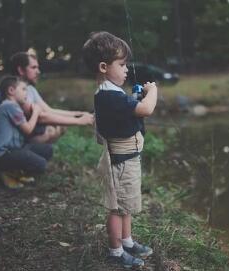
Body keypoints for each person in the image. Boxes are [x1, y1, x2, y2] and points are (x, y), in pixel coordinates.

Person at [82, 31, 158, 269]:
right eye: (122, 64)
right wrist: (152, 92)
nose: (126, 69)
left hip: (128, 159)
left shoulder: (111, 92)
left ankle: (126, 241)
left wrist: (135, 96)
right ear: (104, 66)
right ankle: (116, 252)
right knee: (117, 208)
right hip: (121, 161)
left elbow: (126, 110)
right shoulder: (108, 95)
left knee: (126, 205)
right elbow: (145, 110)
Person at [0, 52, 93, 150]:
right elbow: (41, 117)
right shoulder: (14, 91)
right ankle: (15, 163)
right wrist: (80, 121)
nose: (38, 71)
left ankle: (23, 161)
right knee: (50, 130)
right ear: (20, 70)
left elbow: (48, 110)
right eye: (33, 68)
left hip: (10, 135)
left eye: (37, 67)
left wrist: (78, 114)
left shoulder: (28, 88)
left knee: (59, 127)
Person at [0, 75, 53, 189]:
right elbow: (28, 130)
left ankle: (17, 170)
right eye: (23, 89)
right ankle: (7, 172)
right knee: (41, 164)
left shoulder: (13, 106)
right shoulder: (10, 106)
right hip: (3, 155)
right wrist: (36, 112)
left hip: (14, 149)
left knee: (48, 149)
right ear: (11, 91)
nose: (26, 93)